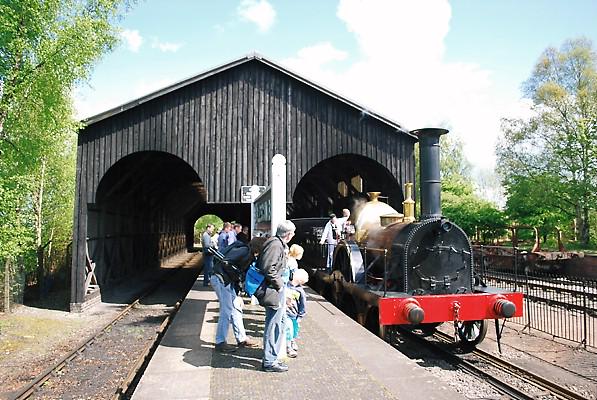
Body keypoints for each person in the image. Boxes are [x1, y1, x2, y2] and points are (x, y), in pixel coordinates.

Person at [256, 220, 296, 373]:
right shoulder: (275, 245)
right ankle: (269, 361)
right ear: (288, 234)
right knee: (274, 324)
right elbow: (268, 268)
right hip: (273, 290)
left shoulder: (276, 243)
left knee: (279, 322)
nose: (293, 235)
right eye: (293, 233)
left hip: (275, 289)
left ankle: (272, 357)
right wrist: (280, 286)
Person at [210, 240, 259, 353]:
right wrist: (237, 275)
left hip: (224, 280)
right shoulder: (244, 251)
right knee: (226, 310)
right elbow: (227, 263)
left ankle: (242, 338)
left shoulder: (246, 251)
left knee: (236, 309)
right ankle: (220, 342)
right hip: (222, 280)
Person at [285, 268, 308, 357]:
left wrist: (300, 315)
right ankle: (288, 348)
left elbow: (303, 304)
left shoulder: (300, 291)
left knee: (294, 330)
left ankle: (292, 341)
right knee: (288, 330)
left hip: (294, 314)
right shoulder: (286, 286)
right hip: (286, 313)